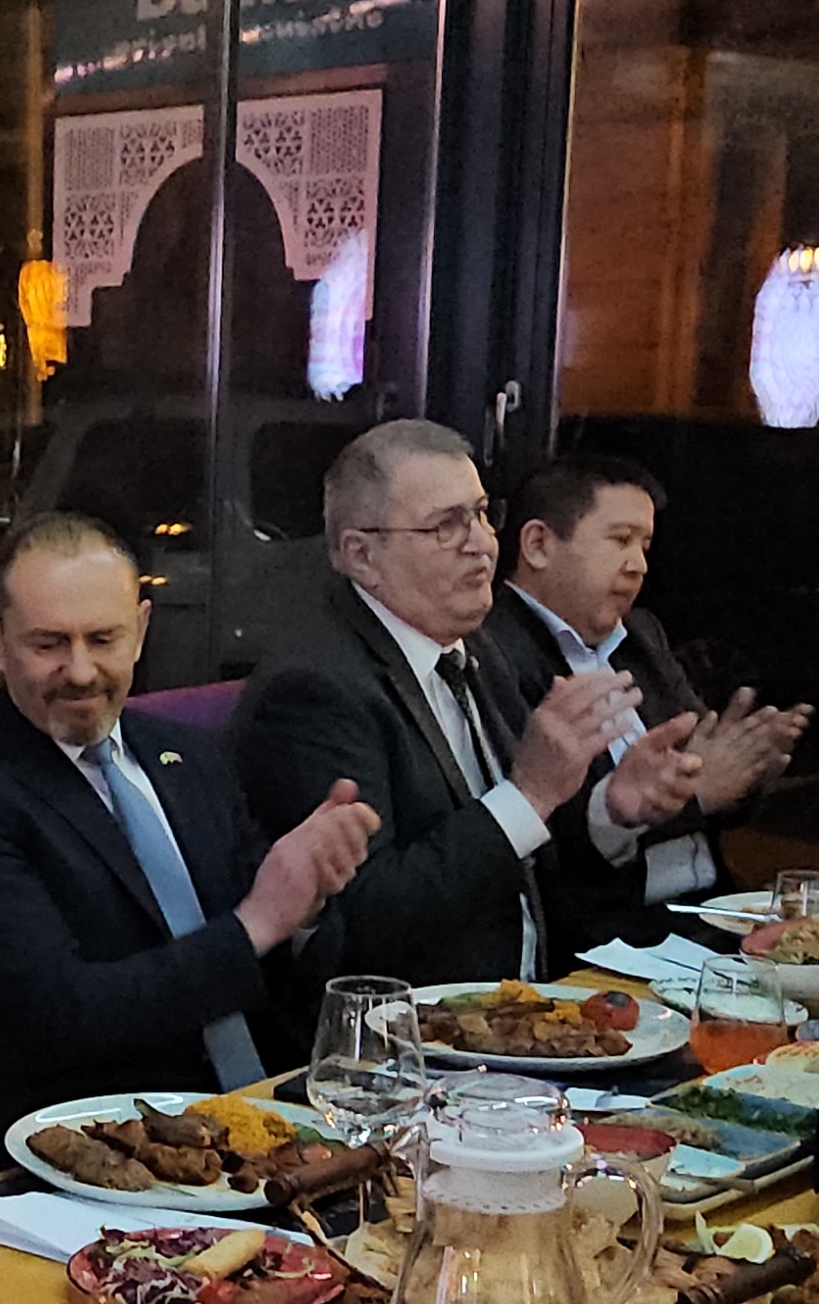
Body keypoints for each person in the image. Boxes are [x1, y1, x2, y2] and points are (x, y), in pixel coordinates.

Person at [0, 515, 382, 1151]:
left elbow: (289, 975)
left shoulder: (189, 758)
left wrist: (306, 908)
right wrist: (259, 923)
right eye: (48, 644)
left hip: (267, 1122)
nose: (79, 671)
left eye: (103, 639)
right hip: (93, 1152)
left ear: (141, 632)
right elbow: (65, 1015)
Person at [229, 420, 706, 986]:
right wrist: (530, 794)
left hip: (530, 997)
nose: (481, 543)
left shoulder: (474, 647)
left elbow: (530, 861)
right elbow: (362, 922)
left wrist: (612, 812)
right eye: (446, 526)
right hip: (411, 1024)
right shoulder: (314, 691)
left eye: (481, 514)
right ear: (362, 555)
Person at [474, 455, 811, 951]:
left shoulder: (641, 634)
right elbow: (539, 839)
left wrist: (745, 769)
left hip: (711, 913)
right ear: (538, 545)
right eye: (620, 540)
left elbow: (704, 773)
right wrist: (691, 799)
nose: (639, 565)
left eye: (645, 545)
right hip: (610, 940)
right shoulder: (490, 650)